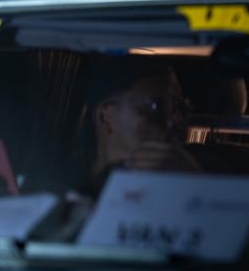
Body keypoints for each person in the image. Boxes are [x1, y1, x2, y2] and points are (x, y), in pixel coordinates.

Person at [71, 55, 201, 195]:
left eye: (179, 107)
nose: (174, 121)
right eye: (154, 106)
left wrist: (192, 180)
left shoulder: (185, 178)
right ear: (105, 116)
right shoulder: (65, 182)